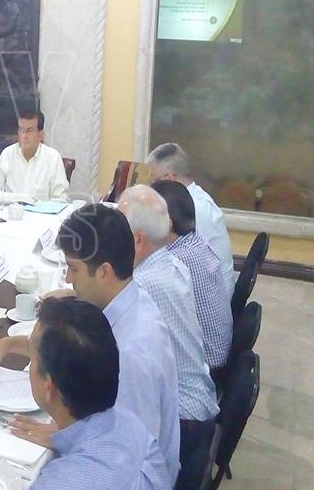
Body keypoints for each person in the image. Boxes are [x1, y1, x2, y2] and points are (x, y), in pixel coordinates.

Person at [0, 204, 181, 486]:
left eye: (73, 269)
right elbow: (73, 348)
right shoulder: (131, 297)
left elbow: (126, 460)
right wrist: (9, 345)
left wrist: (62, 438)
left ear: (104, 272)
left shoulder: (131, 353)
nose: (68, 279)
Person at [0, 296, 170, 490]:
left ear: (48, 386)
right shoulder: (130, 424)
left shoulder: (63, 482)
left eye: (33, 359)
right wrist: (64, 438)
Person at [117, 184, 219, 490]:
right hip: (198, 405)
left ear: (137, 239)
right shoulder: (170, 262)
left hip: (183, 422)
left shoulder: (145, 283)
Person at [152, 179, 232, 370]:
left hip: (206, 364)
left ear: (167, 224)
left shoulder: (176, 262)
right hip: (217, 349)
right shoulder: (194, 239)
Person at [147, 142, 235, 296]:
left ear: (169, 179)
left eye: (153, 181)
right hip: (211, 288)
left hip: (211, 297)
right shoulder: (194, 196)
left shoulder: (194, 208)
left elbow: (163, 259)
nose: (150, 187)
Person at [0, 109, 69, 201]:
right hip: (10, 209)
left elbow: (61, 199)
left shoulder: (53, 158)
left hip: (40, 210)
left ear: (41, 135)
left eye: (29, 130)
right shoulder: (7, 154)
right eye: (21, 130)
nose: (24, 136)